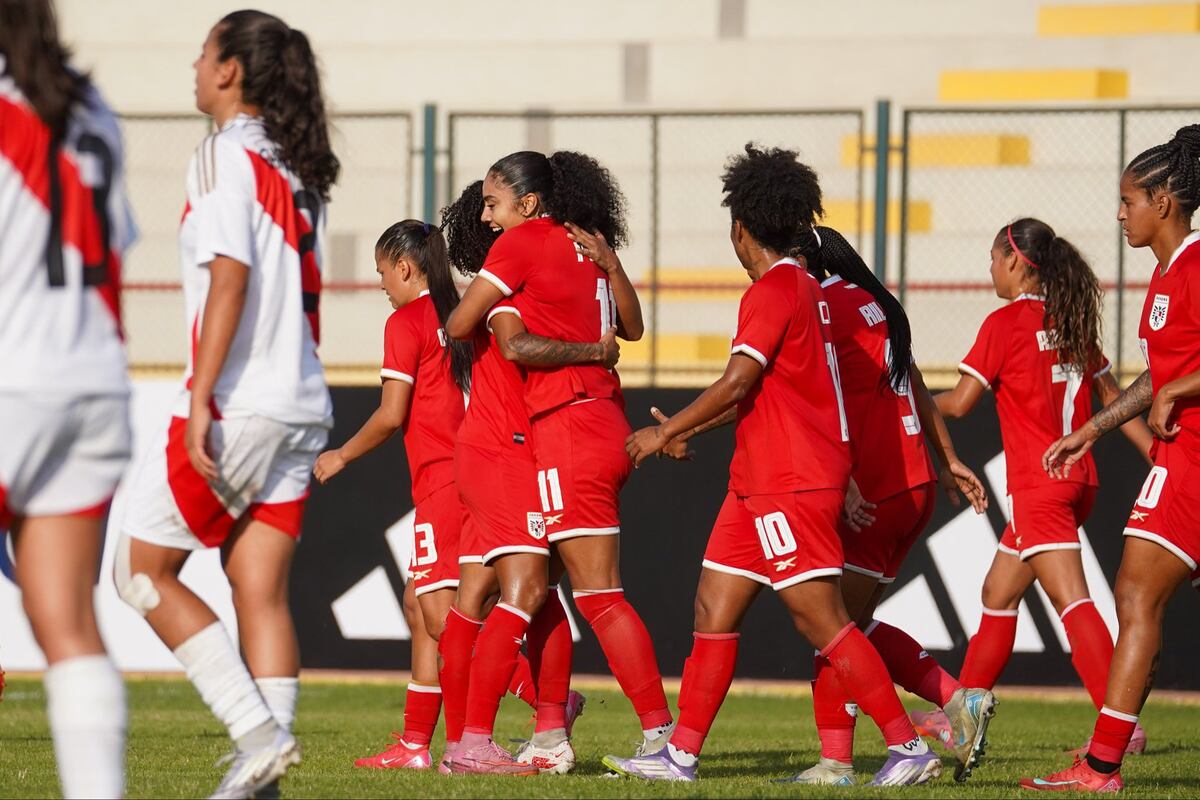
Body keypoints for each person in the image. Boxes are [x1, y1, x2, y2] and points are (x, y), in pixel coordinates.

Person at [605, 144, 941, 786]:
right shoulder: (806, 287)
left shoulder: (775, 288)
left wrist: (664, 431)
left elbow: (737, 382)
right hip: (757, 483)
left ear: (741, 227)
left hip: (788, 481)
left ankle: (907, 746)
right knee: (713, 609)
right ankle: (679, 755)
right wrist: (689, 428)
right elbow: (774, 391)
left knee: (822, 618)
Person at [114, 11, 338, 798]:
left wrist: (202, 395)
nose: (194, 61)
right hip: (303, 403)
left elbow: (231, 278)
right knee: (259, 588)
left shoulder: (222, 155)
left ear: (231, 71)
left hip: (243, 398)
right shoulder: (298, 165)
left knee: (137, 572)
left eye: (205, 51)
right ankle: (264, 782)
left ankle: (255, 735)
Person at [444, 150, 674, 774]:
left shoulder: (519, 252)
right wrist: (603, 314)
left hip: (560, 432)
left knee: (563, 596)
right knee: (554, 594)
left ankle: (476, 739)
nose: (488, 219)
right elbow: (633, 330)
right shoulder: (588, 248)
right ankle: (549, 734)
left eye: (493, 204)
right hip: (599, 422)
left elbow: (467, 326)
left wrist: (499, 302)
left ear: (527, 203)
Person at [926, 217, 1153, 759]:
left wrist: (901, 407)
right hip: (1078, 482)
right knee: (997, 594)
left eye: (992, 258)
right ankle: (961, 709)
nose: (989, 269)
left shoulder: (1004, 324)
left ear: (1014, 262)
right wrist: (1155, 454)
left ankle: (1121, 725)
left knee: (1071, 600)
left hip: (1039, 484)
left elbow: (958, 404)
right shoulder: (1070, 318)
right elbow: (1112, 399)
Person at [780, 227, 994, 786]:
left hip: (871, 490)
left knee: (832, 631)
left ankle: (849, 760)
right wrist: (945, 457)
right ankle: (955, 700)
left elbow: (818, 397)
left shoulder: (821, 303)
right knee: (857, 626)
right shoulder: (872, 301)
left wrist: (842, 478)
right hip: (913, 484)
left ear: (803, 258)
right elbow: (915, 381)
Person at [1024, 126, 1200, 792]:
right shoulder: (1169, 272)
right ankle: (1105, 757)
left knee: (1134, 596)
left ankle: (1101, 766)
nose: (1120, 213)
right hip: (1180, 460)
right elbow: (1160, 375)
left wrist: (1182, 389)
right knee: (1137, 601)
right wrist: (1092, 428)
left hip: (1192, 463)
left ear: (1165, 200)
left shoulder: (1197, 264)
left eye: (1129, 200)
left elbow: (1178, 379)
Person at [0, 1, 136, 795]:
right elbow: (109, 248)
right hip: (93, 382)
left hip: (14, 378)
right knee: (69, 625)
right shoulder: (90, 106)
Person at [435, 180, 601, 776]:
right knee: (531, 592)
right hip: (509, 453)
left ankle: (490, 737)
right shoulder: (506, 297)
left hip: (487, 450)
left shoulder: (496, 289)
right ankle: (484, 739)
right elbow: (515, 346)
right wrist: (592, 351)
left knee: (477, 598)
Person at [312, 219, 475, 770]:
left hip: (442, 480)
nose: (382, 282)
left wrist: (341, 455)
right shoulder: (463, 314)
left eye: (383, 271)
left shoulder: (406, 321)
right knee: (418, 606)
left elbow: (391, 413)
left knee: (441, 617)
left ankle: (530, 705)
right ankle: (414, 745)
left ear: (405, 267)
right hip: (472, 472)